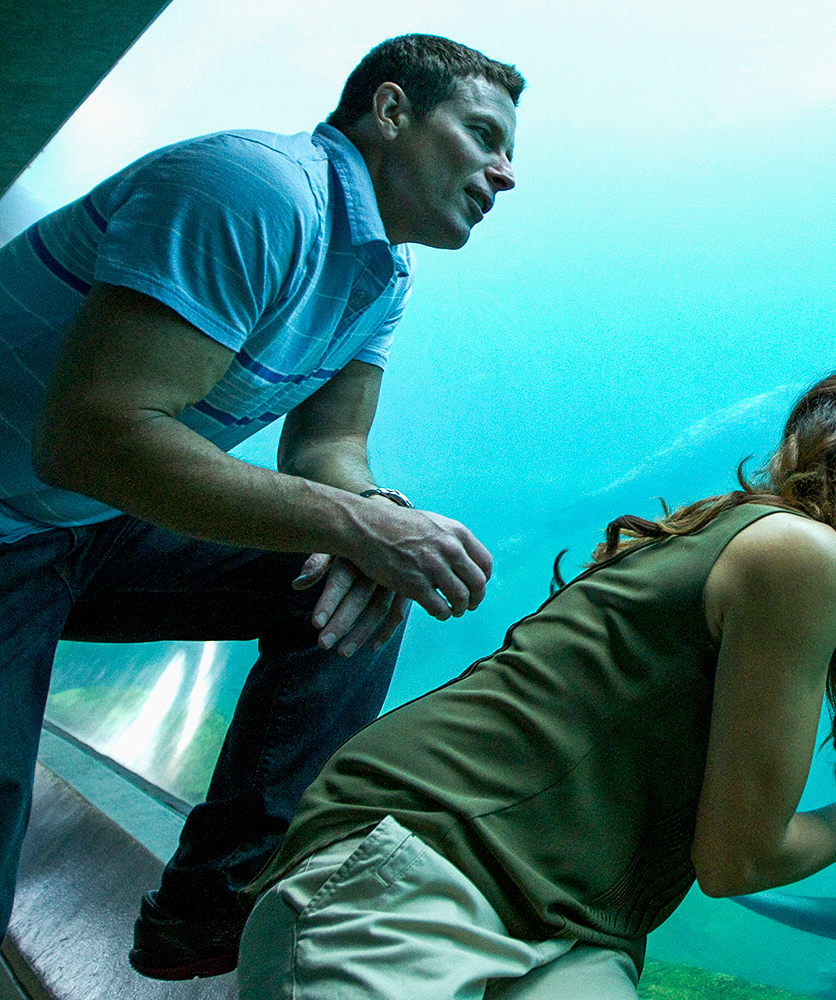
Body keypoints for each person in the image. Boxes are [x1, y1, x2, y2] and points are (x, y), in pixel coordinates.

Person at [232, 362, 836, 999]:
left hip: (573, 931)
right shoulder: (803, 554)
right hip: (429, 865)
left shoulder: (756, 542)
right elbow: (738, 861)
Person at [0, 34, 522, 980]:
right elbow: (87, 435)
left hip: (81, 524)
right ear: (392, 112)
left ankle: (210, 910)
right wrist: (358, 523)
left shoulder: (383, 273)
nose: (506, 173)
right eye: (483, 134)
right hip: (14, 518)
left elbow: (327, 452)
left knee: (349, 577)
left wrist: (377, 518)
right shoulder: (254, 191)